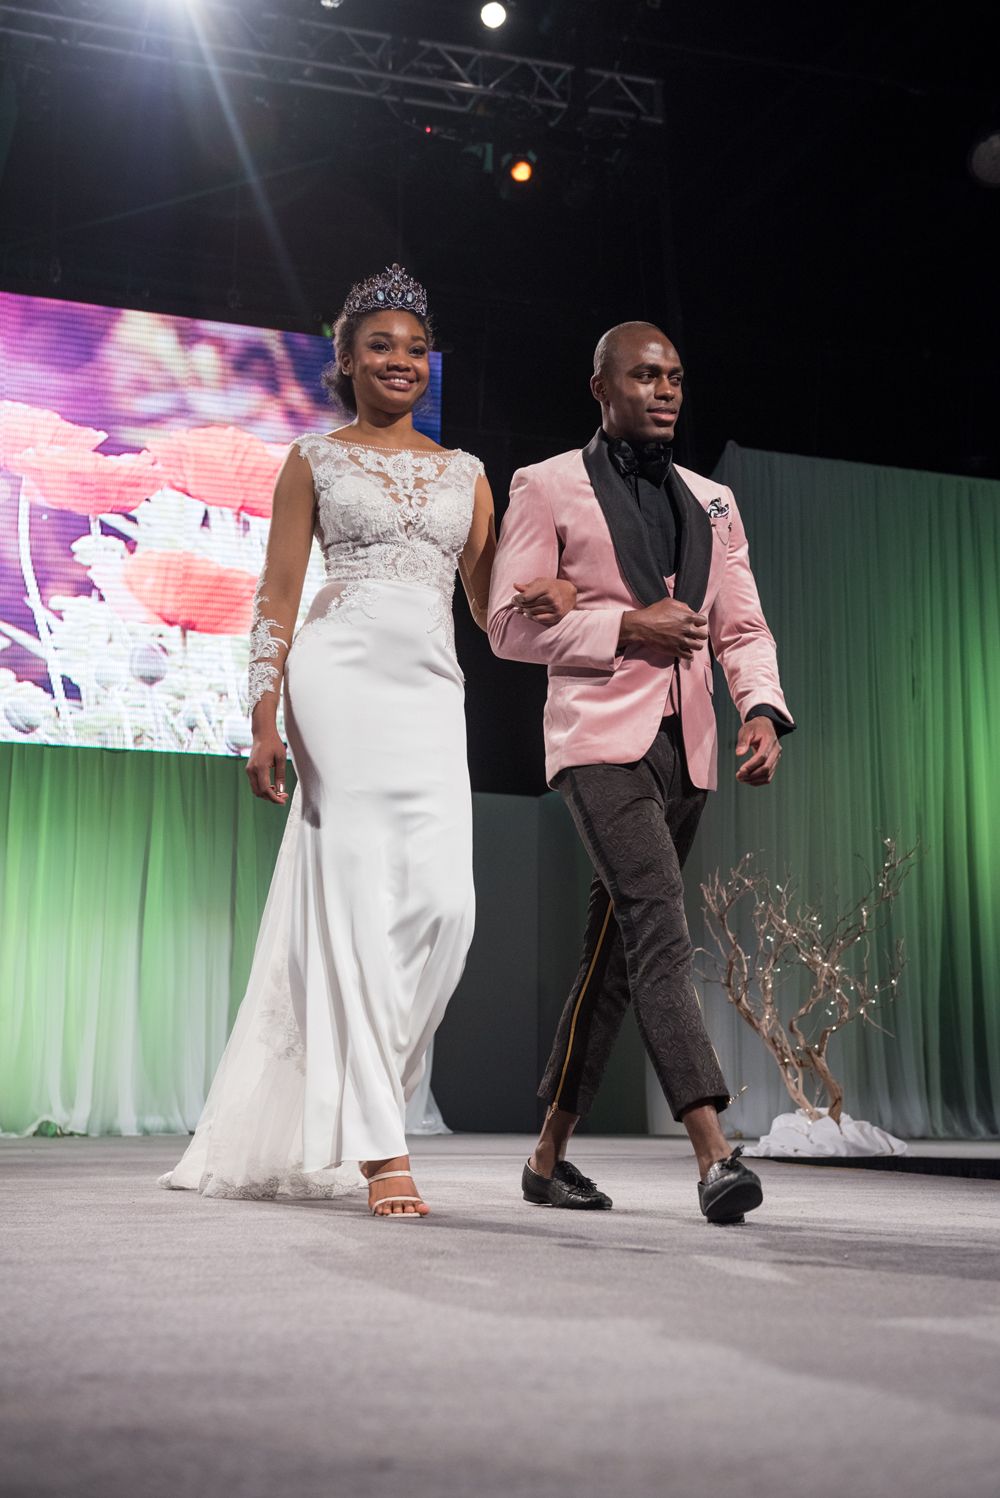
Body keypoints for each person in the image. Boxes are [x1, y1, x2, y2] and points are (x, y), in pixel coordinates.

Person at [161, 265, 574, 1216]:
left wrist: (543, 597)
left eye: (417, 349)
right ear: (345, 360)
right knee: (352, 896)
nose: (401, 360)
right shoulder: (312, 458)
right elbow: (276, 597)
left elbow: (486, 610)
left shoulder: (466, 474)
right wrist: (261, 719)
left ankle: (362, 1093)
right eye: (380, 345)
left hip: (431, 692)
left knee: (445, 909)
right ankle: (381, 1146)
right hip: (335, 681)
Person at [487, 321, 794, 1225]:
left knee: (613, 961)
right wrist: (627, 627)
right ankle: (713, 1154)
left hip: (688, 748)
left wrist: (765, 710)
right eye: (645, 374)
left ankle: (547, 1157)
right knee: (660, 924)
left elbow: (742, 627)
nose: (664, 390)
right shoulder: (544, 485)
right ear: (601, 387)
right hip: (595, 740)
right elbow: (508, 626)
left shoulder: (714, 501)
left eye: (675, 377)